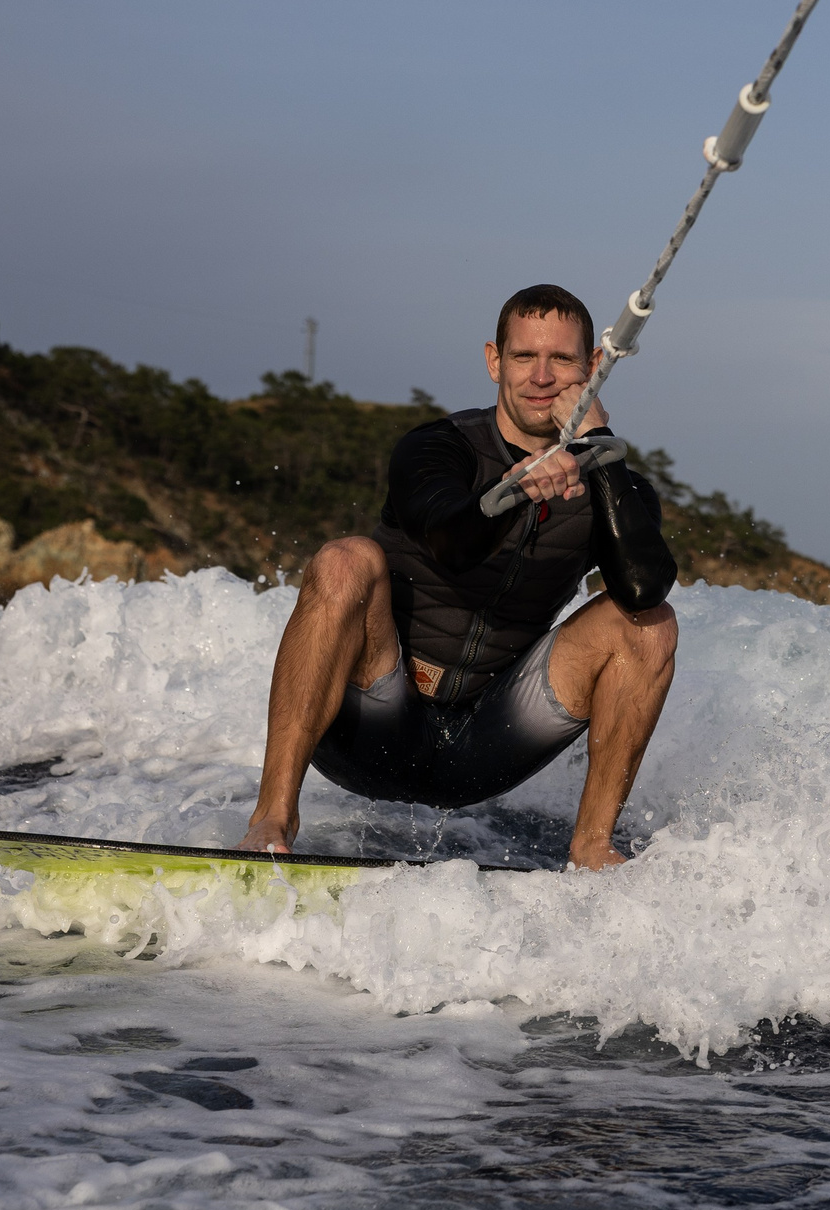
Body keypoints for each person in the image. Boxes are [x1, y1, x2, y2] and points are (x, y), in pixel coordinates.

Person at [240, 284, 680, 870]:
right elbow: (449, 542)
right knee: (345, 559)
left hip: (487, 744)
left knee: (649, 626)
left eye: (563, 360)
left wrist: (599, 448)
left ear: (593, 367)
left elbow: (644, 586)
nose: (542, 377)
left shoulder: (615, 489)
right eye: (524, 357)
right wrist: (512, 492)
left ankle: (593, 849)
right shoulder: (437, 448)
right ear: (495, 361)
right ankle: (272, 820)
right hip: (372, 721)